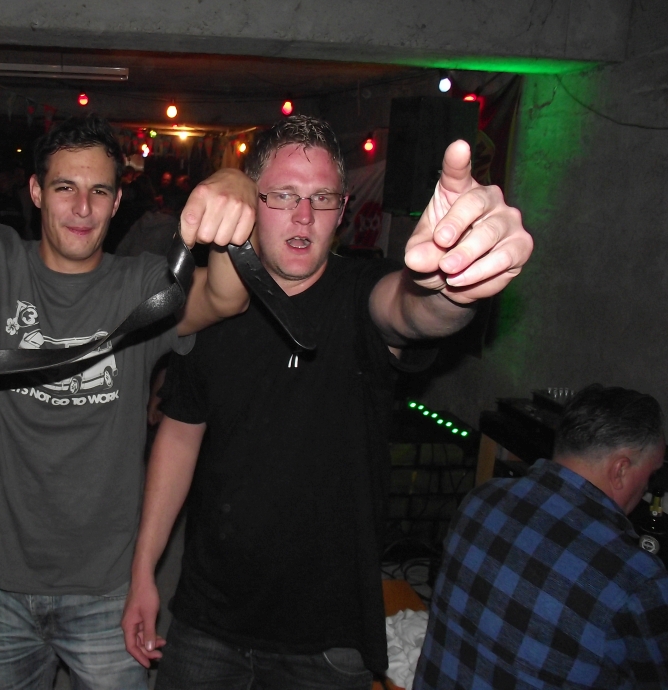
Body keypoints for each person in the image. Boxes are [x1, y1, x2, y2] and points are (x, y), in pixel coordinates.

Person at [0, 37, 257, 689]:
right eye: (65, 188)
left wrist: (237, 189)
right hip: (0, 584)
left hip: (107, 590)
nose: (82, 208)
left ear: (118, 202)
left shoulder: (141, 285)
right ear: (35, 191)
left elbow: (226, 296)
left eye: (99, 191)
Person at [121, 115, 534, 689]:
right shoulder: (216, 304)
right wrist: (143, 570)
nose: (303, 216)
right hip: (208, 618)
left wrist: (451, 286)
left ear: (342, 212)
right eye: (284, 195)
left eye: (322, 199)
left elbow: (412, 309)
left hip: (326, 642)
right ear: (253, 203)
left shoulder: (360, 294)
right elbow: (179, 433)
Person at [413, 384, 668, 689]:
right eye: (650, 475)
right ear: (621, 469)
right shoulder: (636, 577)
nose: (647, 489)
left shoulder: (481, 498)